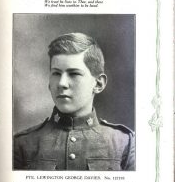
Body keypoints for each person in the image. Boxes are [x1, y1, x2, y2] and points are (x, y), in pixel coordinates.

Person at [13, 32, 135, 171]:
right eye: (56, 73)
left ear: (98, 84)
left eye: (74, 74)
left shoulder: (123, 142)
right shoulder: (22, 144)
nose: (61, 83)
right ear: (49, 82)